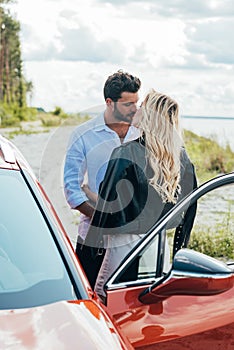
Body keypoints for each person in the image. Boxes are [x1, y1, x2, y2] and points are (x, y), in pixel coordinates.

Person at [85, 89, 197, 299]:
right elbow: (189, 210)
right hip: (157, 244)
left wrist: (87, 255)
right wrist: (178, 254)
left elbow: (106, 208)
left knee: (105, 298)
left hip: (123, 245)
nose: (137, 109)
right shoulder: (181, 158)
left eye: (143, 105)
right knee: (145, 300)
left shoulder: (126, 153)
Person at [63, 70, 141, 288]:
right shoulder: (83, 134)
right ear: (109, 102)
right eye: (128, 104)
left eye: (137, 102)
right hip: (92, 238)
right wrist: (105, 221)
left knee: (126, 303)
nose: (135, 109)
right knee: (88, 299)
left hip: (134, 240)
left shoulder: (143, 133)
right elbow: (72, 190)